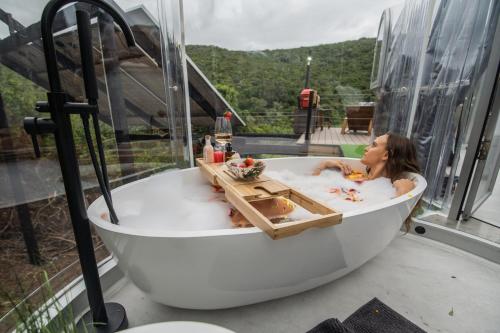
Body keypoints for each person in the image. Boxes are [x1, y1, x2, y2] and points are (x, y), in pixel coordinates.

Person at [312, 133, 420, 197]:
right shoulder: (355, 176)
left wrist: (405, 193)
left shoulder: (392, 190)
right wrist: (324, 165)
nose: (365, 148)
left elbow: (386, 217)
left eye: (373, 145)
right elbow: (311, 187)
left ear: (386, 155)